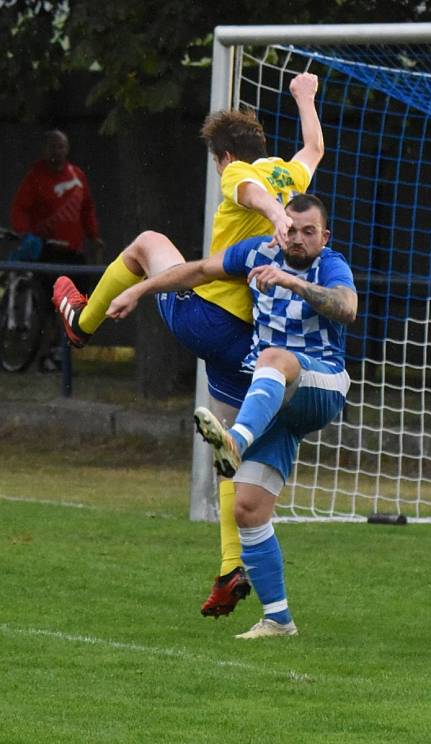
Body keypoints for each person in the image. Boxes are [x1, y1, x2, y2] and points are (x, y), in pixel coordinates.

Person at [51, 73, 324, 618]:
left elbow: (247, 192)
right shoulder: (287, 173)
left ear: (223, 156)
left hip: (209, 319)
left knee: (148, 243)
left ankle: (83, 320)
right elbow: (313, 147)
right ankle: (229, 568)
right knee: (227, 447)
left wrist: (272, 215)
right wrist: (304, 98)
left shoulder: (242, 173)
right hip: (251, 341)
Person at [107, 194, 357, 639]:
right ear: (281, 228)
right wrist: (139, 289)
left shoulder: (331, 265)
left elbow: (347, 307)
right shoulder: (257, 252)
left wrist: (292, 283)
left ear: (325, 236)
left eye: (309, 231)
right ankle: (278, 619)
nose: (298, 238)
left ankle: (234, 441)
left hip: (323, 385)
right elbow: (199, 270)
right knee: (247, 509)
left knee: (275, 357)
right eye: (292, 229)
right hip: (277, 400)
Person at [11, 129, 104, 370]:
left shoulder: (77, 176)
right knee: (51, 303)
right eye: (52, 146)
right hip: (47, 249)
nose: (56, 151)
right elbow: (20, 208)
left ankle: (63, 351)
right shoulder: (36, 177)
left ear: (67, 149)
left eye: (60, 146)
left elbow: (87, 209)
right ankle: (48, 352)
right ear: (45, 150)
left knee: (79, 302)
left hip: (73, 250)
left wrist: (93, 236)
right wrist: (25, 234)